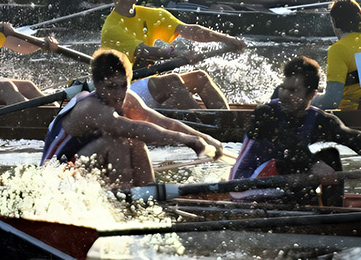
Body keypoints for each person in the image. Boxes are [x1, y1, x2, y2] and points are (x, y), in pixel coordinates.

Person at [40, 49, 224, 189]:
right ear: (97, 84)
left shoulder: (128, 99)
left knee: (136, 144)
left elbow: (165, 123)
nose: (119, 94)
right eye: (111, 87)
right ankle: (125, 203)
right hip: (57, 177)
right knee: (118, 141)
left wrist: (207, 140)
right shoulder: (90, 108)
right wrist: (186, 140)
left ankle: (147, 196)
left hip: (84, 168)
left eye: (123, 86)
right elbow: (135, 128)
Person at [231, 56, 361, 206]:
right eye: (283, 88)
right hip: (247, 185)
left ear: (311, 94)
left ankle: (333, 216)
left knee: (331, 156)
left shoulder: (317, 119)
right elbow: (286, 142)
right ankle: (312, 211)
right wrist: (313, 164)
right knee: (295, 162)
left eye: (293, 91)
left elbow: (349, 136)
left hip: (282, 185)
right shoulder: (265, 113)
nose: (285, 95)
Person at [100, 0, 246, 110]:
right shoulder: (111, 28)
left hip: (145, 82)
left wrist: (227, 39)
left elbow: (189, 30)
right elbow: (145, 51)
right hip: (121, 89)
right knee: (172, 81)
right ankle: (206, 123)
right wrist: (177, 54)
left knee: (200, 77)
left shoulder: (150, 14)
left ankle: (226, 120)